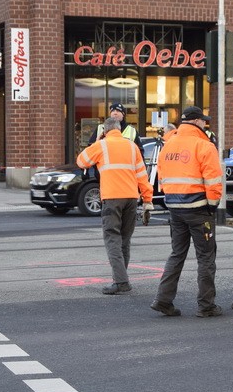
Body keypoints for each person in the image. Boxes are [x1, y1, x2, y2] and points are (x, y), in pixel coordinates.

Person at [151, 106, 224, 318]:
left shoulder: (168, 145)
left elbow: (162, 178)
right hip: (199, 209)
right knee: (206, 257)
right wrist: (212, 205)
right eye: (203, 121)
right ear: (196, 122)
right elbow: (213, 180)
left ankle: (163, 300)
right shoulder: (204, 145)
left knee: (177, 254)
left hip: (175, 208)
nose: (205, 124)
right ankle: (206, 305)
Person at [77, 116, 153, 295]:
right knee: (124, 240)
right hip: (131, 198)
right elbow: (142, 176)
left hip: (112, 198)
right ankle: (122, 278)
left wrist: (96, 141)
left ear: (105, 130)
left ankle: (121, 282)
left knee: (112, 239)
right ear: (119, 129)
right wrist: (148, 199)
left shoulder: (101, 145)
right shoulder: (132, 146)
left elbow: (81, 161)